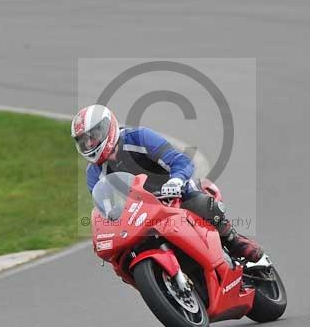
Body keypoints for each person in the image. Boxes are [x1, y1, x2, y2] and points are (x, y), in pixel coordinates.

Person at [71, 104, 264, 262]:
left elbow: (180, 160)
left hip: (173, 194)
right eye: (83, 141)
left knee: (198, 201)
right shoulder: (94, 174)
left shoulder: (139, 137)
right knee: (121, 258)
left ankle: (233, 240)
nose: (89, 144)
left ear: (108, 127)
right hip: (139, 216)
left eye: (93, 135)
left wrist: (177, 180)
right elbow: (106, 210)